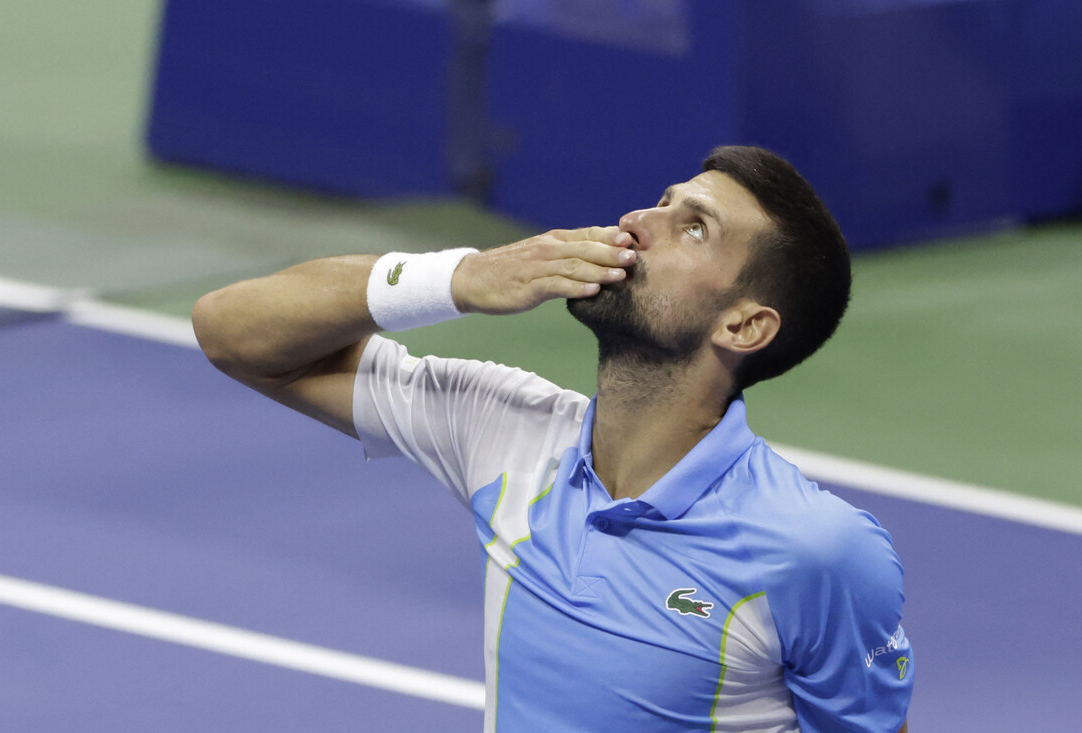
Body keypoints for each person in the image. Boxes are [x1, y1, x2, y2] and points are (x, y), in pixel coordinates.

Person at [191, 145, 914, 732]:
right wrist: (460, 277)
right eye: (661, 201)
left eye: (694, 226)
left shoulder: (816, 550)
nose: (637, 221)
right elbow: (232, 332)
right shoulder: (503, 428)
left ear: (745, 326)